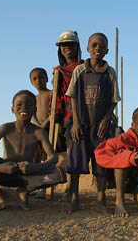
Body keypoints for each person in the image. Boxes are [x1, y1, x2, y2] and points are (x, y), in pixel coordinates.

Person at [0, 90, 66, 210]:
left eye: (29, 105)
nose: (23, 108)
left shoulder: (39, 132)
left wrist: (37, 167)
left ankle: (24, 191)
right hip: (4, 170)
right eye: (19, 105)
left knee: (59, 174)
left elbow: (53, 157)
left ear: (34, 110)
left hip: (27, 175)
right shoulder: (5, 128)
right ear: (12, 109)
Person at [65, 32, 121, 214]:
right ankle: (74, 199)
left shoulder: (109, 72)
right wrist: (75, 122)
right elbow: (72, 95)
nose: (98, 48)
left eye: (102, 46)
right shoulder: (80, 70)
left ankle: (100, 201)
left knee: (101, 165)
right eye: (94, 45)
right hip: (80, 125)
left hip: (100, 127)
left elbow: (114, 99)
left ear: (107, 50)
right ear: (88, 48)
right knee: (75, 161)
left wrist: (106, 118)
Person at [53, 30, 83, 200]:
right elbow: (58, 96)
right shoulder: (59, 71)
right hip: (66, 118)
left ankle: (73, 188)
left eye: (71, 45)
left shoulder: (85, 67)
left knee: (76, 153)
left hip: (85, 116)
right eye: (64, 45)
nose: (67, 48)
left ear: (77, 47)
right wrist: (56, 116)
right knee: (68, 153)